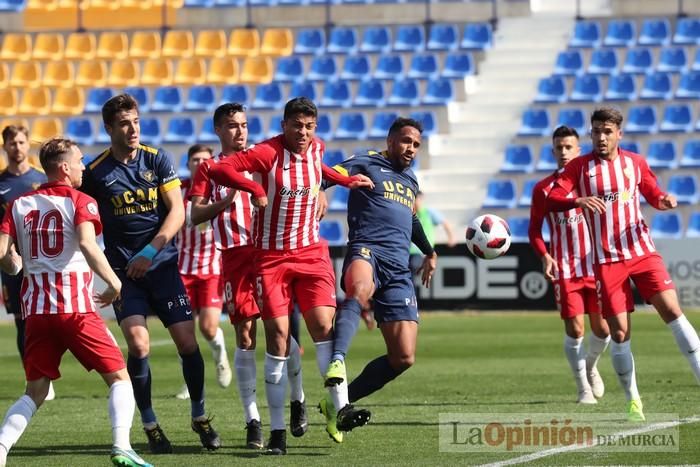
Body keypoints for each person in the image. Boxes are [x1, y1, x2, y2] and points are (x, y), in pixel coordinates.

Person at [208, 97, 374, 454]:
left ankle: (339, 407)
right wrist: (253, 189)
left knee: (323, 328)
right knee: (279, 338)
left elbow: (318, 169)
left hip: (311, 253)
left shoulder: (317, 148)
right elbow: (217, 170)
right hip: (271, 258)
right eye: (297, 125)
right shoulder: (267, 153)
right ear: (284, 125)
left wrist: (344, 181)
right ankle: (278, 432)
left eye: (309, 126)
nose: (303, 133)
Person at [81, 94, 220, 453]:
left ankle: (199, 415)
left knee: (188, 343)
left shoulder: (157, 159)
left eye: (136, 121)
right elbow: (76, 213)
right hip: (124, 274)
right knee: (139, 345)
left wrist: (149, 251)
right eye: (124, 123)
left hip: (161, 266)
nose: (132, 129)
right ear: (109, 127)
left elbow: (177, 213)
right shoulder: (95, 173)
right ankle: (150, 423)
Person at [0, 137, 151, 467]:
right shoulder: (81, 200)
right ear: (65, 168)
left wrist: (14, 261)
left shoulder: (19, 204)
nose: (84, 166)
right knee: (120, 378)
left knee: (35, 392)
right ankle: (122, 445)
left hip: (36, 312)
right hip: (74, 309)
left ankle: (0, 449)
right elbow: (87, 243)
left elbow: (4, 257)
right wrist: (114, 283)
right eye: (80, 161)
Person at [547, 107, 700, 421]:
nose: (601, 138)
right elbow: (553, 198)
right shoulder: (579, 167)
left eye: (607, 132)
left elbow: (653, 193)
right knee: (619, 334)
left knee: (673, 311)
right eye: (596, 131)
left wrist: (664, 201)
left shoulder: (635, 163)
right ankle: (634, 402)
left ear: (619, 134)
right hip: (607, 261)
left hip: (643, 253)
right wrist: (577, 200)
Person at [188, 103, 308, 449]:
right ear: (218, 131)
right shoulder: (209, 169)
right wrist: (226, 202)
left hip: (270, 253)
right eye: (231, 126)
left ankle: (297, 399)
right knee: (245, 336)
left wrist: (318, 196)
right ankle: (252, 420)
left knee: (281, 334)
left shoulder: (264, 158)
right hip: (235, 257)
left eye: (243, 125)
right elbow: (195, 215)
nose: (239, 131)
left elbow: (304, 181)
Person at [321, 117, 437, 421]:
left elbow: (410, 219)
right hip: (367, 249)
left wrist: (429, 251)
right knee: (358, 291)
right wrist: (322, 189)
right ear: (390, 140)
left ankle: (337, 403)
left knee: (403, 357)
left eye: (416, 145)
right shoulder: (367, 162)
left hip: (398, 268)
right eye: (406, 141)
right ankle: (337, 362)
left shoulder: (411, 180)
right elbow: (328, 174)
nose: (411, 148)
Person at [528, 126, 610, 404]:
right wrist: (545, 255)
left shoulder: (592, 182)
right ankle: (583, 389)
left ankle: (591, 365)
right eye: (559, 148)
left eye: (568, 147)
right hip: (565, 268)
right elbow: (535, 231)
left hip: (596, 266)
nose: (563, 152)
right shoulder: (543, 189)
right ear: (553, 151)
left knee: (604, 330)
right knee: (576, 330)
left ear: (578, 150)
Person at [0, 126, 55, 401]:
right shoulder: (0, 184)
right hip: (11, 263)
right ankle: (33, 376)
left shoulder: (40, 180)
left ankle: (46, 374)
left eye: (22, 142)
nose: (18, 147)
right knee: (22, 322)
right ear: (5, 147)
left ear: (27, 146)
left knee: (43, 319)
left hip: (40, 261)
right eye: (12, 143)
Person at [174, 143, 231, 400]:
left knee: (208, 328)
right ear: (187, 164)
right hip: (181, 269)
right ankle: (190, 382)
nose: (199, 164)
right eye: (194, 160)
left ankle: (220, 356)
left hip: (211, 269)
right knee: (183, 332)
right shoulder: (177, 191)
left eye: (204, 160)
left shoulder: (220, 188)